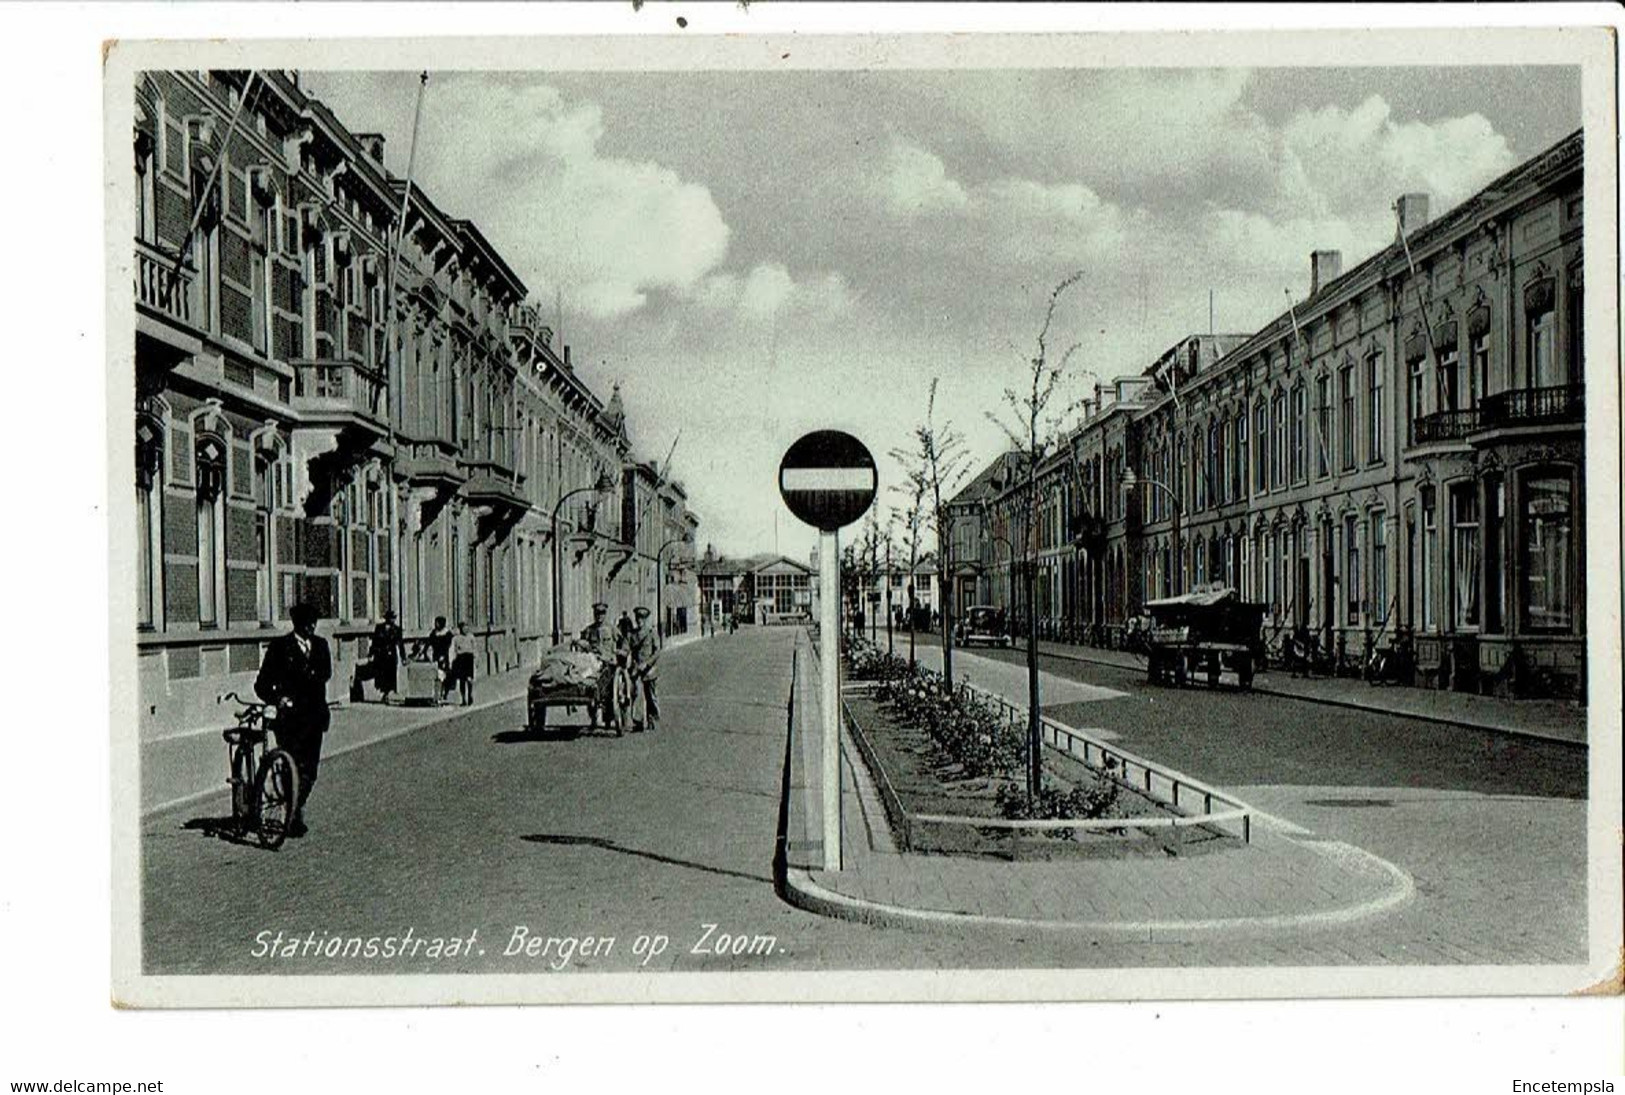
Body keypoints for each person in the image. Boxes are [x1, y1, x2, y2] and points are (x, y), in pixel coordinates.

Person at [254, 603, 331, 838]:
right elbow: (261, 684)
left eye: (314, 622)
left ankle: (295, 806)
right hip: (290, 720)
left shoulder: (321, 645)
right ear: (297, 623)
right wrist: (278, 698)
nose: (311, 627)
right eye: (307, 623)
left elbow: (326, 673)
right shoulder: (280, 647)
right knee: (292, 766)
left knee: (311, 771)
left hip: (314, 717)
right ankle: (294, 816)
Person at [575, 602, 618, 730]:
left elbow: (623, 642)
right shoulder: (589, 630)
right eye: (597, 614)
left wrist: (620, 653)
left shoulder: (612, 629)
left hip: (608, 663)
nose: (599, 616)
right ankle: (593, 717)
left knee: (608, 690)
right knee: (590, 685)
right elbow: (582, 644)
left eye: (602, 613)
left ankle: (608, 718)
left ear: (605, 614)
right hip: (593, 662)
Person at [354, 609, 403, 703]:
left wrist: (403, 657)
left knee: (390, 676)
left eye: (393, 618)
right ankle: (384, 693)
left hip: (391, 658)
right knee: (381, 675)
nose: (392, 620)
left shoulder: (397, 630)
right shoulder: (379, 628)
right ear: (387, 618)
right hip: (381, 656)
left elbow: (400, 645)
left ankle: (387, 694)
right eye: (391, 618)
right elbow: (375, 642)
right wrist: (371, 653)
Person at [625, 606, 661, 732]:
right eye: (638, 618)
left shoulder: (652, 633)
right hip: (637, 669)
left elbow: (657, 652)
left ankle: (651, 718)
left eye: (642, 618)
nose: (639, 621)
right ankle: (638, 722)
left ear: (646, 619)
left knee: (651, 696)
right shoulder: (632, 634)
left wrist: (647, 663)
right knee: (637, 694)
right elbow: (626, 647)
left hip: (650, 670)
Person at [446, 622, 476, 706]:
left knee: (469, 679)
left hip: (469, 658)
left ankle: (470, 695)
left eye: (467, 627)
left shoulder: (471, 637)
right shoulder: (456, 638)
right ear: (460, 629)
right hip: (460, 659)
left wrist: (476, 659)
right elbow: (452, 650)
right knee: (462, 680)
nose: (465, 629)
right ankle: (463, 699)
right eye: (463, 628)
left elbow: (475, 648)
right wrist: (451, 661)